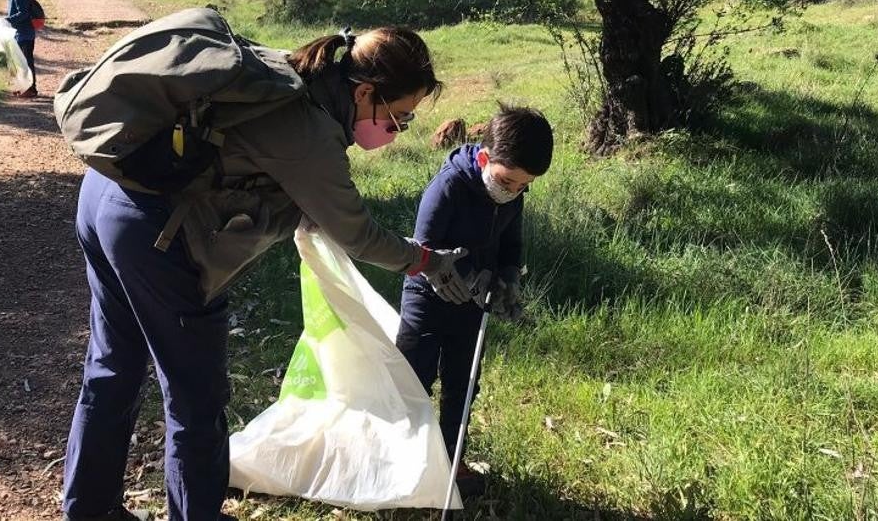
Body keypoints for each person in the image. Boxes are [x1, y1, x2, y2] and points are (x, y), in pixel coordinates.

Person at [65, 27, 473, 521]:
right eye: (399, 116)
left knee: (112, 368)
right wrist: (428, 260)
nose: (398, 129)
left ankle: (89, 511)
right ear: (365, 92)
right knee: (196, 397)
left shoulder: (287, 74)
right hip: (153, 235)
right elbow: (360, 234)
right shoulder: (310, 130)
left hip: (105, 193)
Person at [395, 104, 554, 498]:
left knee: (463, 384)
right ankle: (403, 463)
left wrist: (508, 277)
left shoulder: (512, 196)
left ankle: (450, 461)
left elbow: (511, 243)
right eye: (507, 181)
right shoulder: (449, 185)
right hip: (428, 299)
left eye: (523, 186)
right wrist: (445, 273)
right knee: (413, 379)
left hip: (473, 305)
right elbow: (423, 246)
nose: (513, 191)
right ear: (485, 158)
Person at [0, 0, 37, 98]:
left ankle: (31, 89)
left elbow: (23, 14)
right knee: (20, 63)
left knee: (27, 62)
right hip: (18, 35)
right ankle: (23, 87)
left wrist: (9, 19)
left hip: (26, 35)